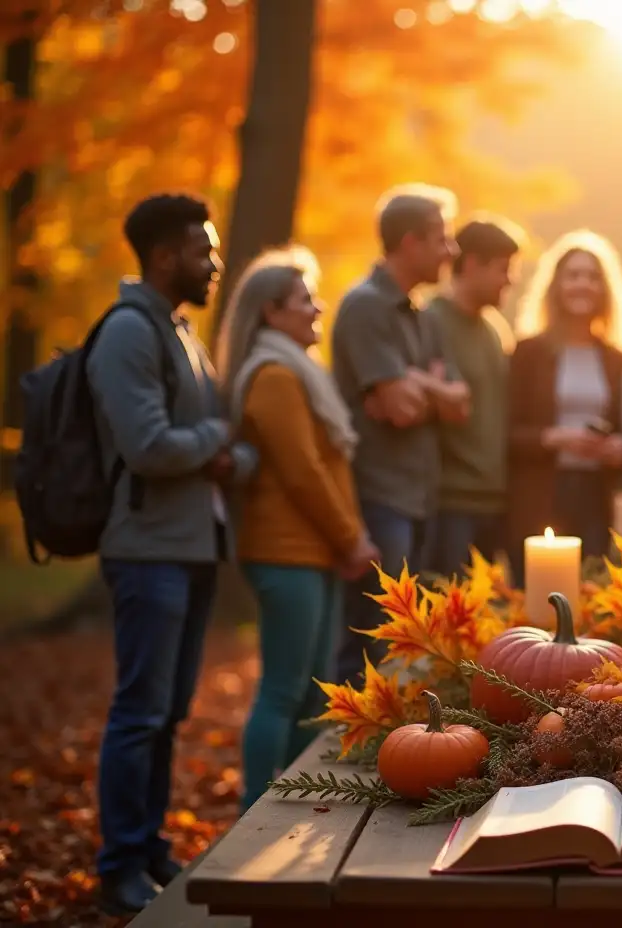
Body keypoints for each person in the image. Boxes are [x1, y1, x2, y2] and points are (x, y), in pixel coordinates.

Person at [88, 194, 256, 915]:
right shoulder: (130, 333)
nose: (214, 264)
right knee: (140, 711)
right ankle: (119, 862)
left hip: (191, 546)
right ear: (163, 256)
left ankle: (150, 847)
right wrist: (218, 445)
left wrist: (226, 451)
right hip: (148, 550)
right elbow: (150, 446)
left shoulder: (182, 333)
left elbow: (217, 442)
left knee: (169, 711)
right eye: (203, 250)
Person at [215, 249, 378, 812]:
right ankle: (253, 813)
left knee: (312, 693)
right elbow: (304, 472)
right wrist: (351, 537)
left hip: (311, 554)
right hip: (286, 554)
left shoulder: (296, 372)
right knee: (284, 690)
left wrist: (341, 540)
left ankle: (299, 806)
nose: (317, 308)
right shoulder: (275, 376)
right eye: (305, 300)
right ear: (270, 313)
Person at [330, 183, 469, 683]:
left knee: (406, 639)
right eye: (442, 239)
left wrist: (415, 382)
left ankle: (386, 747)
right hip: (379, 495)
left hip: (419, 495)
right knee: (370, 638)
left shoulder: (421, 314)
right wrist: (424, 389)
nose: (451, 252)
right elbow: (401, 408)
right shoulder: (365, 306)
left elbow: (460, 403)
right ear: (410, 243)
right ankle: (338, 755)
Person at [506, 230, 622, 575]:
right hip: (540, 496)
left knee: (589, 598)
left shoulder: (617, 360)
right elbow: (506, 433)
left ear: (605, 289)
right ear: (556, 286)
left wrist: (619, 448)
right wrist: (555, 438)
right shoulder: (528, 353)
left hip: (596, 497)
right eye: (574, 275)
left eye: (593, 277)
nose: (584, 284)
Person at [423, 217, 522, 577]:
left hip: (494, 501)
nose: (510, 279)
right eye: (503, 269)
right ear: (472, 265)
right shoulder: (429, 321)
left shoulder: (495, 330)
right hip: (450, 502)